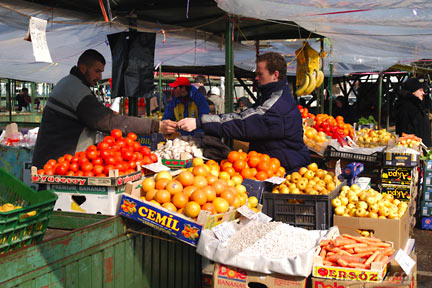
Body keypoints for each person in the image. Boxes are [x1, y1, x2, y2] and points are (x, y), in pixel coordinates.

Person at [32, 49, 176, 169]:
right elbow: (107, 121)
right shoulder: (75, 89)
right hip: (57, 163)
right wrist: (155, 125)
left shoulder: (70, 83)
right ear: (83, 68)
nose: (100, 77)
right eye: (97, 71)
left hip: (56, 160)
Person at [178, 52, 311, 172]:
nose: (256, 78)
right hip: (270, 165)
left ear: (275, 75)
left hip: (285, 169)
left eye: (260, 74)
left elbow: (243, 123)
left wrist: (200, 121)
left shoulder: (276, 104)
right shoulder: (272, 96)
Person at [395, 78, 431, 147]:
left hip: (422, 149)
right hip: (413, 151)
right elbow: (404, 133)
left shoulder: (417, 106)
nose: (423, 93)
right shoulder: (405, 108)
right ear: (412, 92)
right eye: (420, 90)